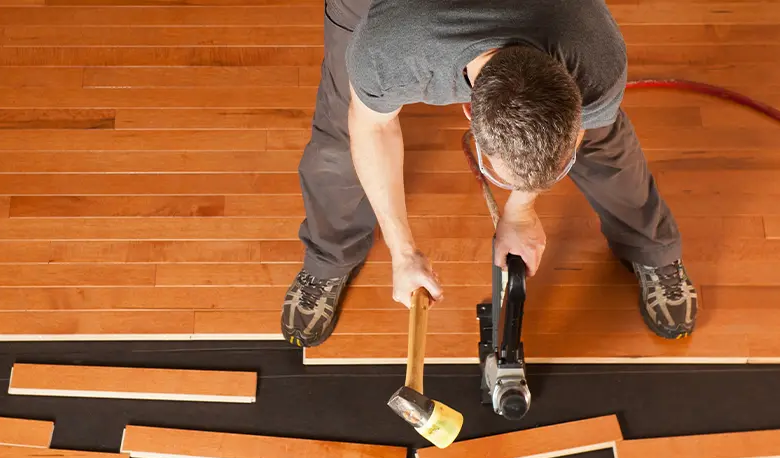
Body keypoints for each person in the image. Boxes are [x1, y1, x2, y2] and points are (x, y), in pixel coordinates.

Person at [280, 0, 699, 348]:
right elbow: (371, 126)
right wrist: (402, 252)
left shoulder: (591, 50)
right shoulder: (387, 50)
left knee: (605, 141)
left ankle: (652, 249)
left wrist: (520, 211)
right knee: (340, 141)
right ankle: (329, 256)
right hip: (384, 11)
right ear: (467, 110)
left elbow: (570, 137)